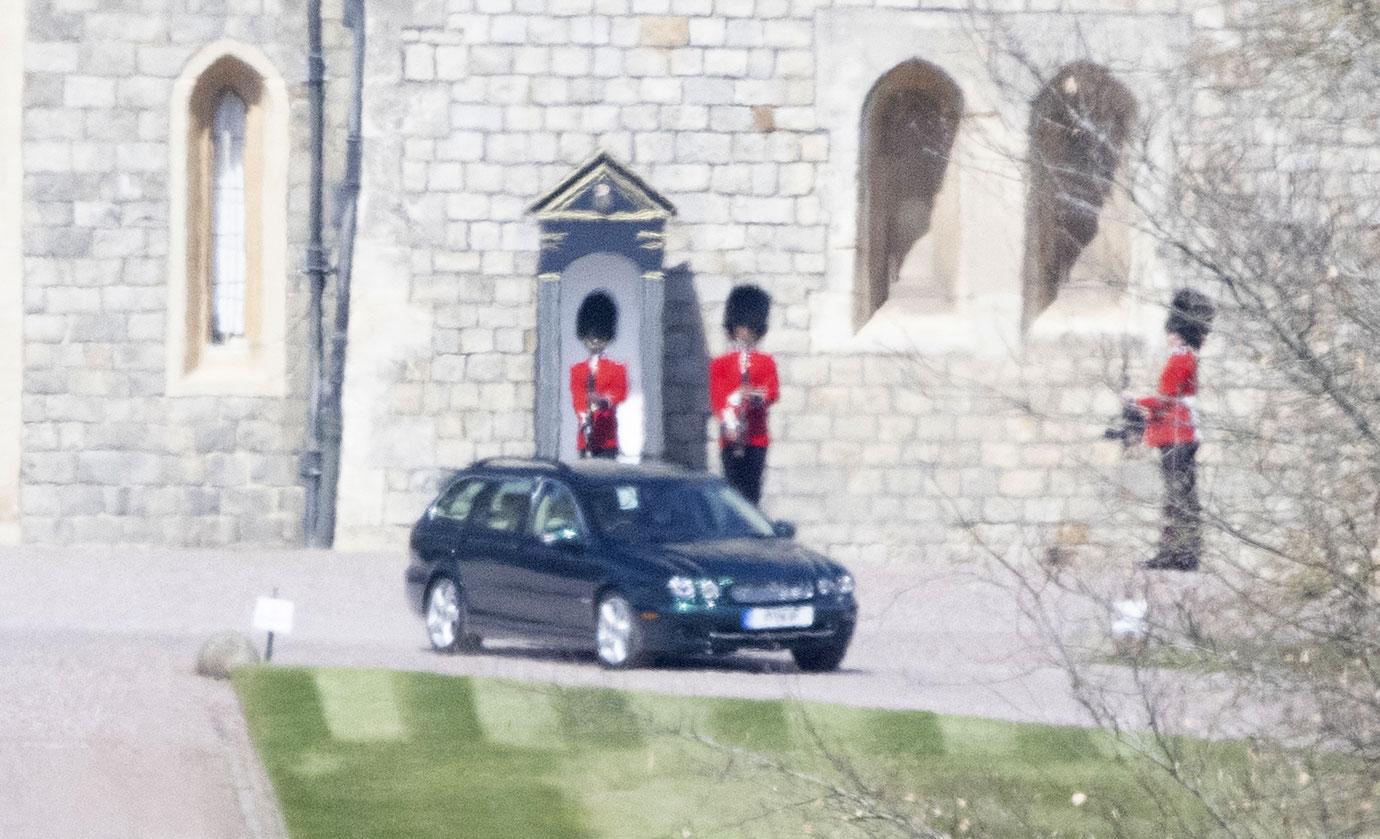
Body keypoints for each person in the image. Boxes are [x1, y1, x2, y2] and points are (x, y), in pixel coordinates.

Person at [1135, 289, 1214, 571]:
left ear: (1178, 333)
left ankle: (1178, 553)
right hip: (1178, 434)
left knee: (1177, 496)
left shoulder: (1181, 358)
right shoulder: (1186, 356)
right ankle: (1180, 551)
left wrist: (1135, 401)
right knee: (1180, 495)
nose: (1168, 336)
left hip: (1177, 434)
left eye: (1171, 332)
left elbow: (1166, 397)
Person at [710, 284, 780, 505]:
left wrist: (756, 396)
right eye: (741, 326)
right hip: (730, 437)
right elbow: (717, 397)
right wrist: (730, 413)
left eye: (751, 327)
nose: (745, 332)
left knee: (752, 493)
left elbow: (772, 391)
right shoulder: (721, 363)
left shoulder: (765, 361)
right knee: (732, 493)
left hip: (756, 437)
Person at [569, 291, 628, 459]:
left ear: (607, 337)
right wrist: (583, 416)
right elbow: (577, 396)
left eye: (600, 336)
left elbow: (620, 393)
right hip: (585, 438)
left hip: (607, 439)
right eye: (591, 336)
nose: (595, 340)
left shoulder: (617, 368)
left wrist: (603, 401)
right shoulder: (577, 370)